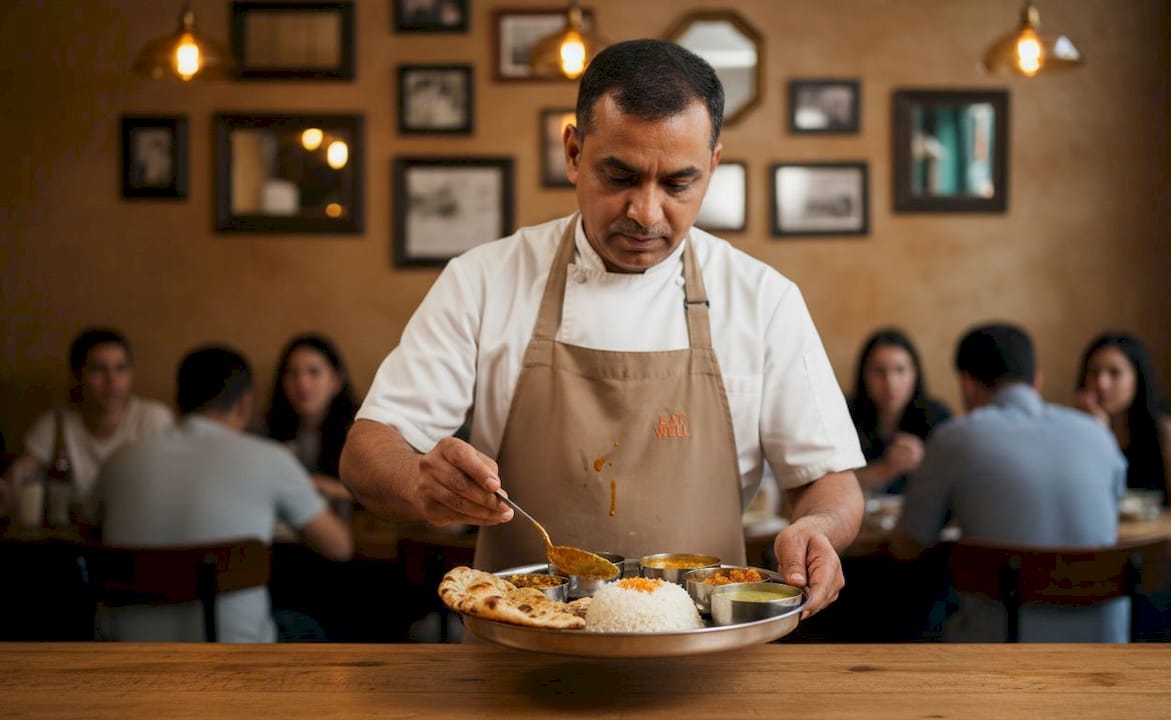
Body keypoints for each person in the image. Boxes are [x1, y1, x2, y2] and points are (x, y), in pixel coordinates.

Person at [340, 39, 866, 618]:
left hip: (704, 652)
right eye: (619, 176)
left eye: (678, 184)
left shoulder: (762, 299)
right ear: (572, 152)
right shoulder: (483, 282)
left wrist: (818, 527)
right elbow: (367, 453)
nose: (645, 211)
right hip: (520, 651)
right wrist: (420, 482)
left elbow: (830, 483)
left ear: (713, 166)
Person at [96, 345, 353, 642]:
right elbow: (339, 546)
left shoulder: (119, 461)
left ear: (178, 402)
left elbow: (88, 528)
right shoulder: (270, 458)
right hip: (235, 656)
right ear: (244, 404)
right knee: (311, 626)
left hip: (127, 653)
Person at [892, 323, 1127, 642]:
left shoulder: (954, 438)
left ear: (967, 383)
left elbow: (908, 546)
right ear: (1037, 380)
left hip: (1000, 649)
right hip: (1102, 648)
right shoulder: (1099, 434)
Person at [3, 328, 173, 517]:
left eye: (121, 369)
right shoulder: (55, 424)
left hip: (133, 531)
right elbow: (18, 479)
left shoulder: (152, 419)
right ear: (77, 377)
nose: (112, 381)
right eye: (99, 370)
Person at [1075, 332, 1171, 520]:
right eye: (1094, 373)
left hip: (1157, 541)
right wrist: (1098, 434)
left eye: (1115, 373)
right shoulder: (1076, 430)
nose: (1102, 384)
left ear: (1137, 379)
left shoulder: (1167, 432)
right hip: (1099, 539)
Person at [849, 328, 952, 494]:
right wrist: (887, 468)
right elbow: (833, 487)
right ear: (863, 375)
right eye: (879, 372)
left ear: (915, 374)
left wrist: (927, 463)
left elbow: (956, 482)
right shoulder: (845, 416)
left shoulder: (938, 417)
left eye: (900, 370)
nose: (891, 383)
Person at [265, 334, 357, 505]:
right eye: (292, 374)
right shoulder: (266, 431)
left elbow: (380, 496)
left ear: (336, 381)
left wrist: (327, 487)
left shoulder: (357, 433)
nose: (302, 384)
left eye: (314, 372)